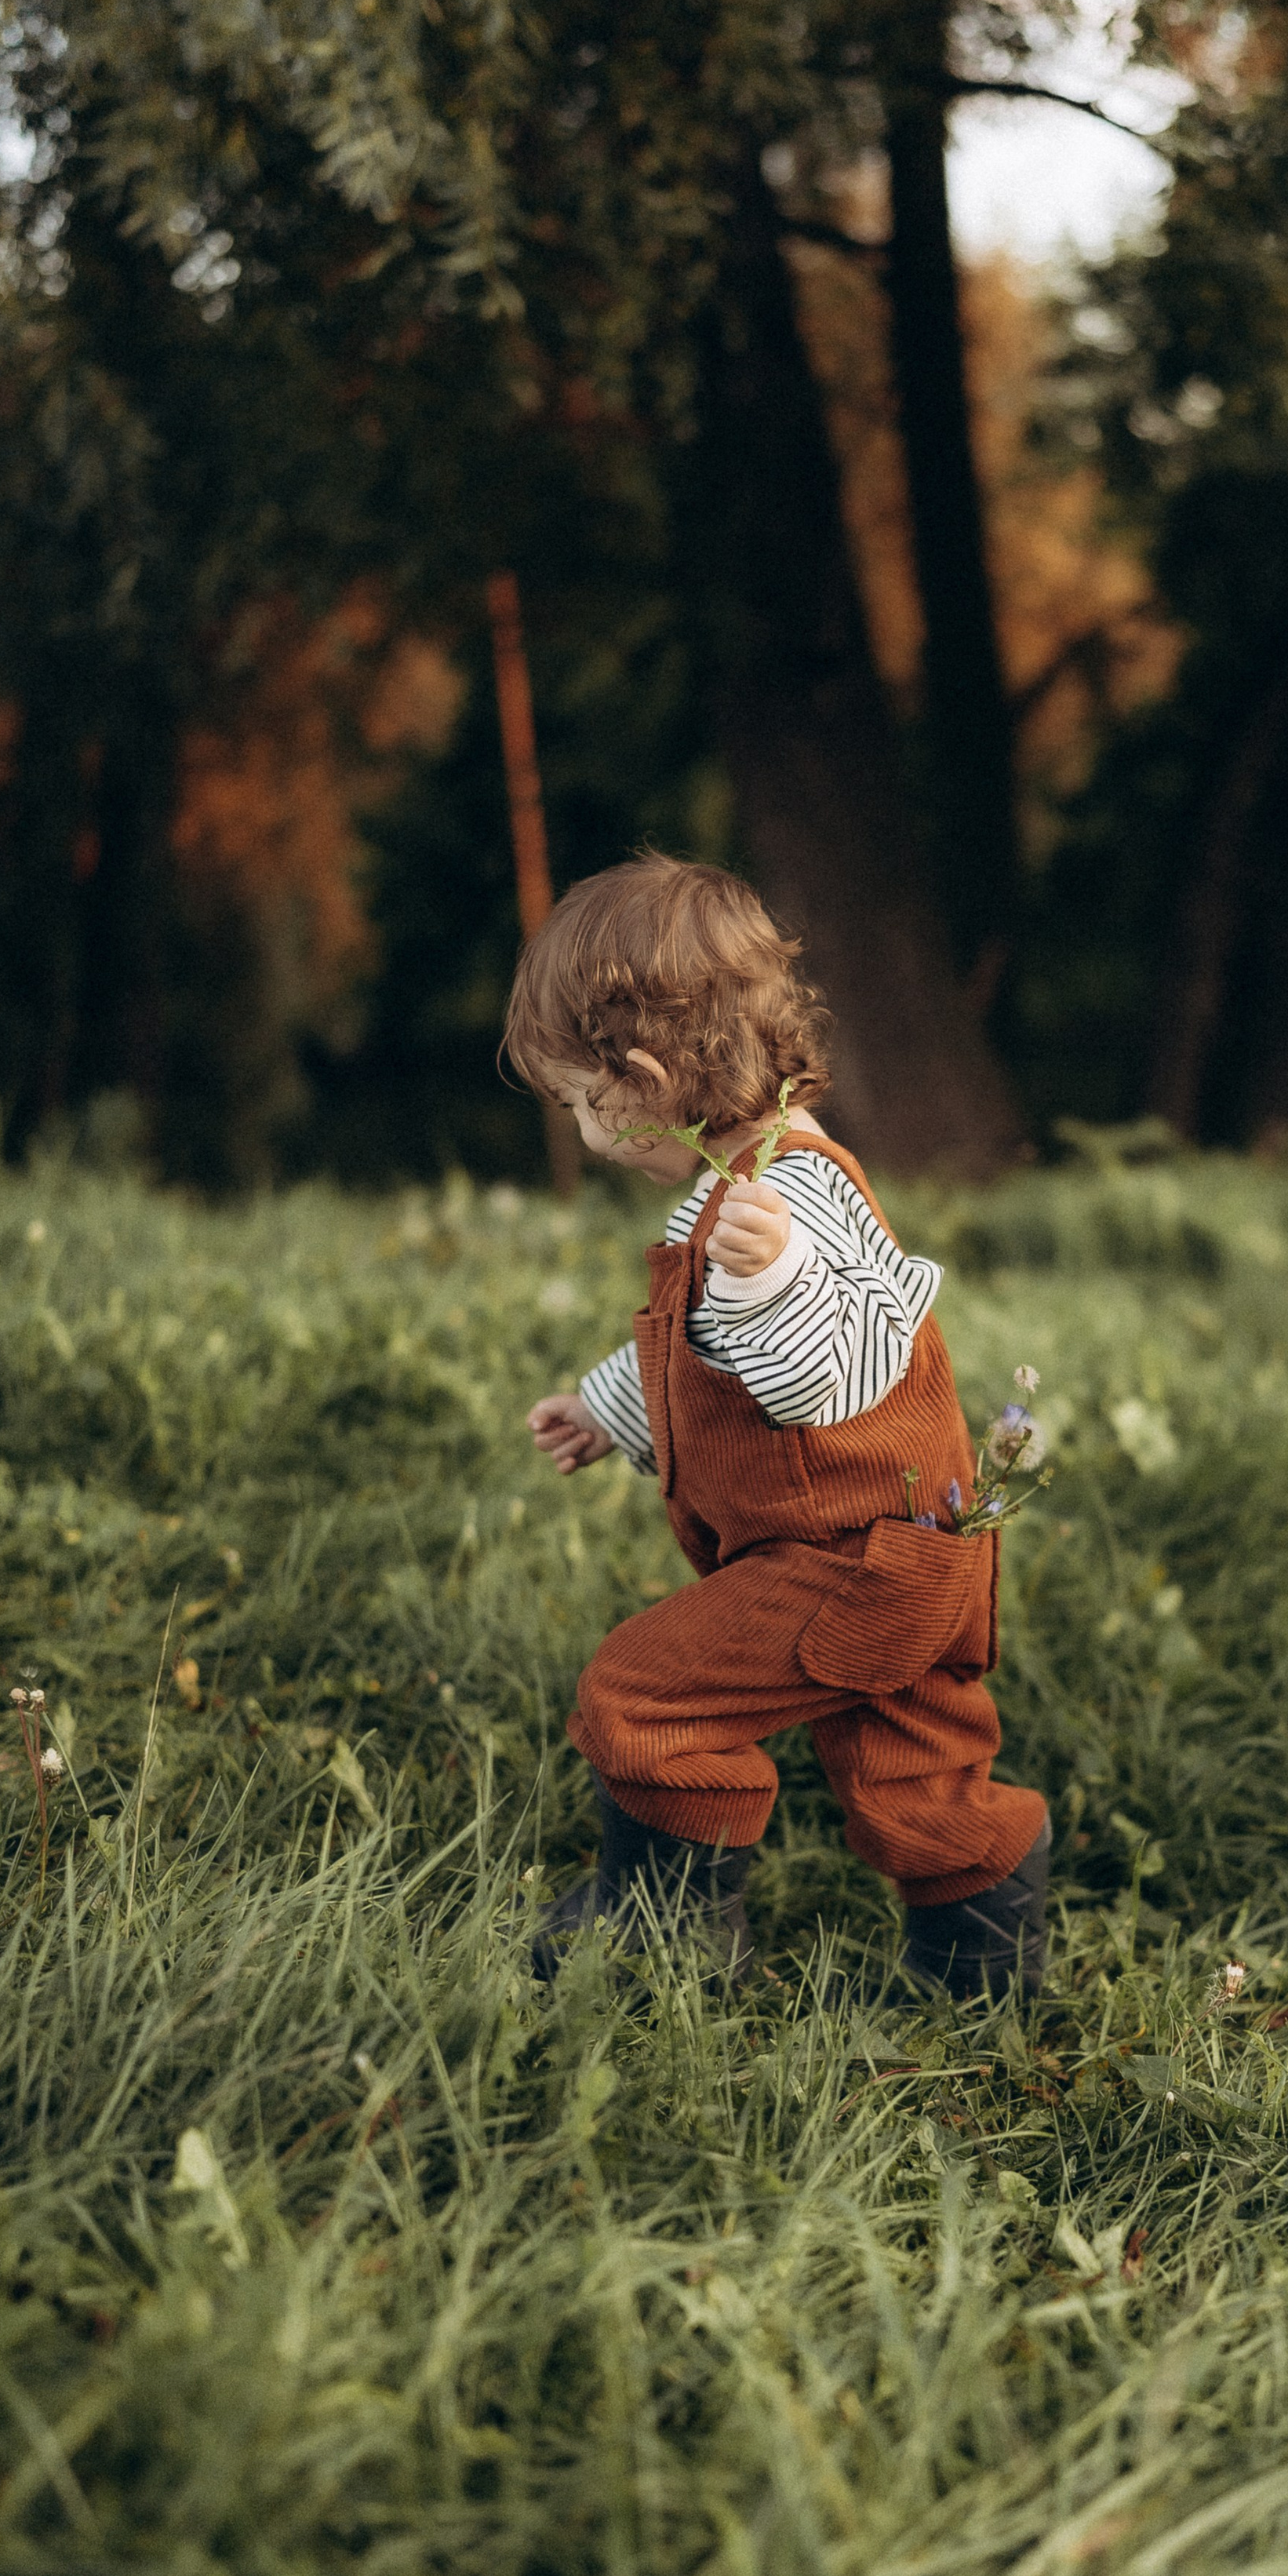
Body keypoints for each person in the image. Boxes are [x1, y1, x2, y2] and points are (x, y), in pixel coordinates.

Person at [509, 852, 1050, 1994]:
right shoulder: (734, 1187)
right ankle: (982, 1974)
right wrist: (606, 1408)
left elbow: (830, 1377)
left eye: (577, 1101)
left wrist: (778, 1280)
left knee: (646, 1691)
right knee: (914, 1759)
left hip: (848, 1561)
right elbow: (690, 1354)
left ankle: (665, 1931)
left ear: (645, 1078)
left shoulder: (791, 1199)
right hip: (908, 1551)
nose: (582, 1126)